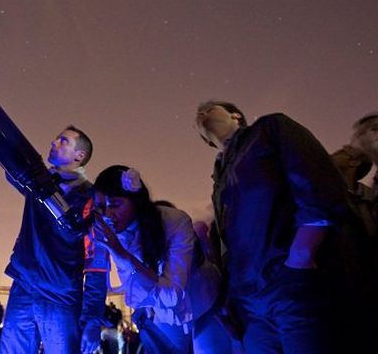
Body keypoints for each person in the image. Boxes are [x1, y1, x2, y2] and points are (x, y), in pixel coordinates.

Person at [195, 100, 377, 353]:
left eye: (210, 108)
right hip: (248, 300)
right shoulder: (220, 181)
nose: (202, 114)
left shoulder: (269, 129)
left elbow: (319, 178)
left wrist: (302, 253)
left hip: (289, 284)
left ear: (236, 115)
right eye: (198, 116)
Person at [92, 165, 232, 354]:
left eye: (115, 205)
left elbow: (172, 293)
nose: (108, 215)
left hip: (203, 303)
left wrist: (122, 255)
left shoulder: (175, 222)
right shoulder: (118, 234)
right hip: (164, 314)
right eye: (101, 208)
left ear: (136, 201)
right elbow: (136, 291)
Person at [0, 126, 107, 354]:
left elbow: (97, 263)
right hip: (24, 286)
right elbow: (15, 171)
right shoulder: (39, 184)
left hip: (59, 297)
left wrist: (92, 318)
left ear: (79, 156)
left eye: (63, 141)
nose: (53, 142)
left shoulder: (90, 199)